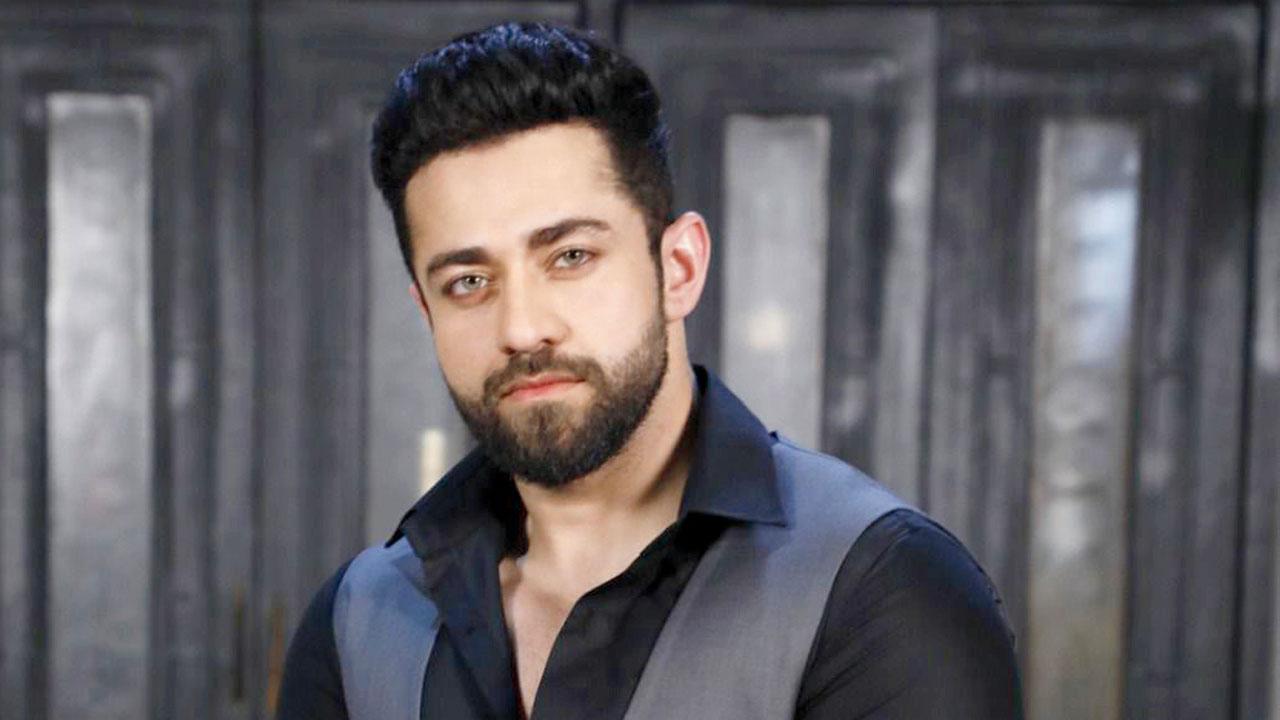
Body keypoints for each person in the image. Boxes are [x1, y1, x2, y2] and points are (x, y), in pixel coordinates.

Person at [277, 21, 1023, 720]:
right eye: (469, 282)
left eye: (570, 256)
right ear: (427, 310)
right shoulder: (354, 626)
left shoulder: (882, 593)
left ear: (679, 268)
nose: (521, 328)